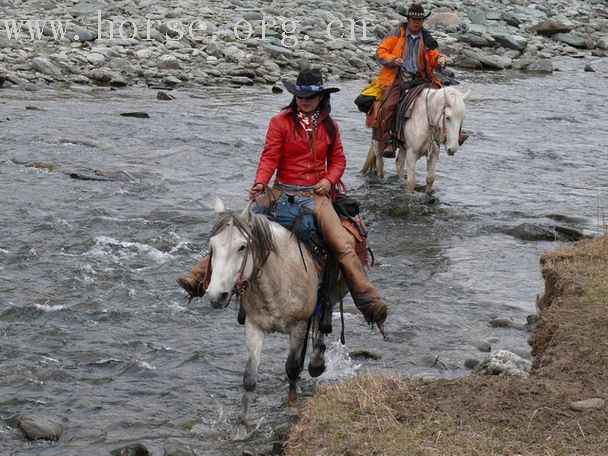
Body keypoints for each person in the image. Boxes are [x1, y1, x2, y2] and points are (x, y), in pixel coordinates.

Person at [177, 68, 388, 328]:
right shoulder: (280, 122)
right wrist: (260, 183)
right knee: (236, 232)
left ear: (321, 97)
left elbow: (338, 160)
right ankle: (199, 278)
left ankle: (368, 302)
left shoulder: (331, 127)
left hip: (316, 195)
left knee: (343, 246)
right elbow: (269, 157)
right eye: (300, 95)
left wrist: (329, 180)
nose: (304, 100)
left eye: (309, 96)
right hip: (280, 192)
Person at [373, 3, 464, 157]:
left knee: (447, 102)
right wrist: (394, 59)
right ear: (408, 19)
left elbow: (432, 56)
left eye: (420, 20)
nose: (416, 22)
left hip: (421, 78)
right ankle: (388, 139)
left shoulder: (426, 37)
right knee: (389, 105)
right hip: (397, 78)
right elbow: (380, 53)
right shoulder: (396, 33)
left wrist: (440, 59)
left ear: (423, 21)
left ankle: (454, 135)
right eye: (414, 19)